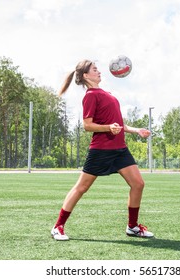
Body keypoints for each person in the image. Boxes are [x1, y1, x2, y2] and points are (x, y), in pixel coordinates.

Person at [51, 59, 154, 241]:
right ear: (85, 75)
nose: (99, 72)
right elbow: (87, 125)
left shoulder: (107, 94)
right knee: (81, 188)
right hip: (101, 150)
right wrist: (108, 128)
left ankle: (133, 227)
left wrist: (136, 130)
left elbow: (119, 123)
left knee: (138, 184)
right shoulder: (90, 96)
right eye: (95, 70)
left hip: (120, 149)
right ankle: (58, 226)